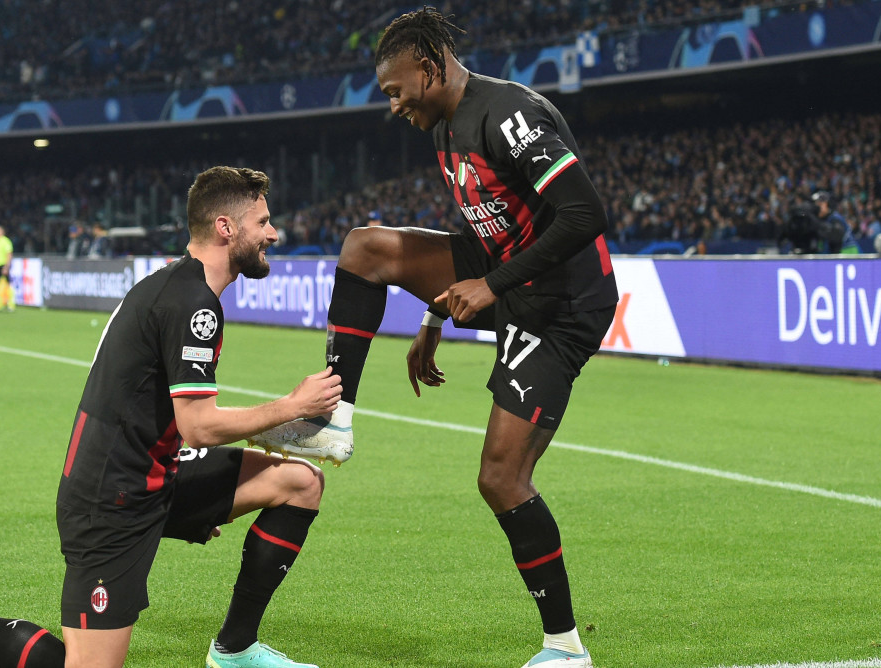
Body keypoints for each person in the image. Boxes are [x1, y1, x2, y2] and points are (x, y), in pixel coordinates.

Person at [250, 8, 617, 668]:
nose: (392, 106)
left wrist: (493, 287)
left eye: (395, 90)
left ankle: (565, 649)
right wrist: (433, 316)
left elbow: (587, 213)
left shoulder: (510, 116)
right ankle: (334, 419)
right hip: (507, 277)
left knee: (502, 478)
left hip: (563, 305)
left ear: (430, 67)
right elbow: (488, 226)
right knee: (365, 248)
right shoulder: (447, 130)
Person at [0, 167, 342, 668]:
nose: (273, 233)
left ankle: (234, 650)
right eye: (263, 222)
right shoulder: (190, 305)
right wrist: (294, 407)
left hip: (156, 473)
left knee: (298, 483)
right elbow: (199, 426)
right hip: (109, 501)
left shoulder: (176, 286)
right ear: (226, 227)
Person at [0, 225, 16, 311]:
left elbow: (9, 255)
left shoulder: (5, 241)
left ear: (2, 232)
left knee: (7, 285)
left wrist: (6, 267)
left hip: (3, 265)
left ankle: (11, 304)